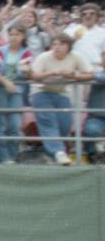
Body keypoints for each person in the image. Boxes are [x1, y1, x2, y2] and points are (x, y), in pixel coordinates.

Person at [29, 32, 94, 165]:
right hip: (41, 91)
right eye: (54, 44)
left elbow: (90, 74)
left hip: (62, 93)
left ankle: (53, 154)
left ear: (68, 46)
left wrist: (73, 76)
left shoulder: (76, 57)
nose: (57, 47)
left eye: (61, 44)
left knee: (65, 124)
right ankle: (58, 152)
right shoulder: (44, 56)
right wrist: (51, 73)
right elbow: (34, 75)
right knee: (49, 121)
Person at [0, 23, 34, 164]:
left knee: (15, 125)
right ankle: (3, 157)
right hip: (1, 90)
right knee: (2, 125)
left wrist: (26, 71)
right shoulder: (0, 50)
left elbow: (27, 71)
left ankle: (13, 155)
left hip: (17, 93)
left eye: (17, 34)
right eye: (11, 34)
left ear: (23, 36)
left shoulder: (27, 51)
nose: (14, 37)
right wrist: (6, 81)